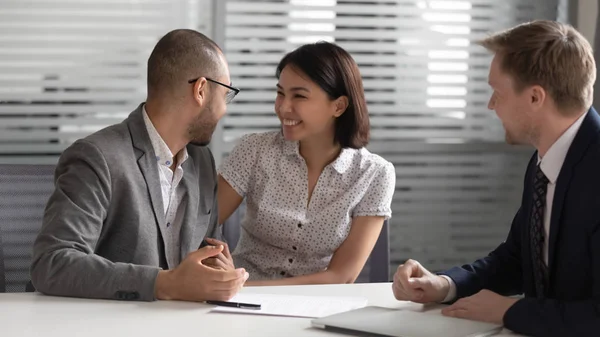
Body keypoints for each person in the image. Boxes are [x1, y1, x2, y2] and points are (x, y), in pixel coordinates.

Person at [392, 20, 600, 336]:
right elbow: (516, 260)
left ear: (535, 98)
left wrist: (509, 310)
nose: (491, 105)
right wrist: (444, 285)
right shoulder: (545, 162)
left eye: (497, 92)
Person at [30, 29, 248, 302]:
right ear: (201, 89)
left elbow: (207, 250)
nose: (225, 109)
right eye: (225, 94)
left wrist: (219, 272)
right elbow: (53, 264)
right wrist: (164, 284)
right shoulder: (98, 157)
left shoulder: (202, 162)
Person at [217, 42, 396, 286]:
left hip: (312, 305)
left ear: (339, 106)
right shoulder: (255, 150)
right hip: (236, 299)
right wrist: (214, 268)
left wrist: (242, 286)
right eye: (280, 93)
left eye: (299, 96)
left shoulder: (375, 174)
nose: (283, 107)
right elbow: (197, 225)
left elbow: (341, 276)